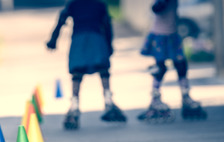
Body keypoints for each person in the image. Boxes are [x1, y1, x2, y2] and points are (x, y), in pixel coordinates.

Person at [46, 0, 126, 130]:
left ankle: (75, 106)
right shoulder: (100, 4)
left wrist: (53, 40)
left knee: (77, 73)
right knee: (103, 69)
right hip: (96, 39)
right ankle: (108, 101)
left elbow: (61, 20)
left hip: (79, 40)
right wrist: (109, 44)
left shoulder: (73, 3)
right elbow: (107, 24)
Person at [138, 0, 207, 122]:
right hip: (160, 36)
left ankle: (185, 96)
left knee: (181, 66)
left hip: (173, 35)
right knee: (160, 68)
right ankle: (155, 98)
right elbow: (156, 8)